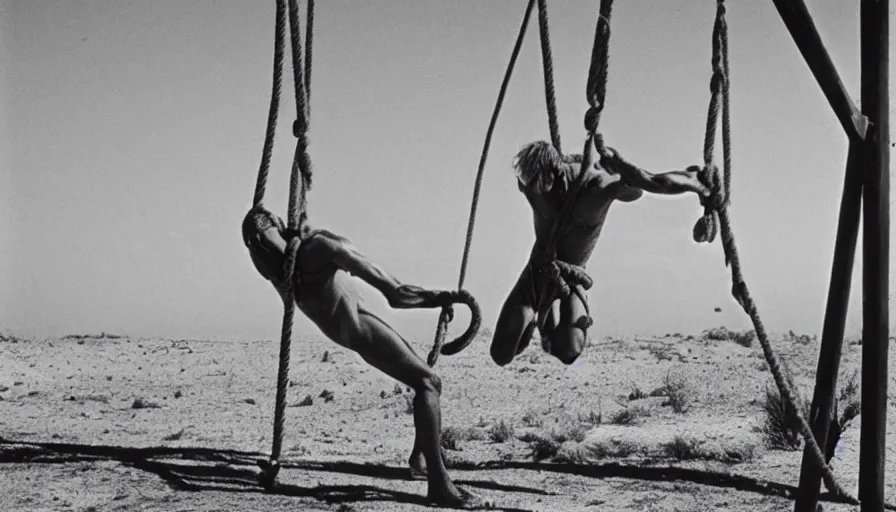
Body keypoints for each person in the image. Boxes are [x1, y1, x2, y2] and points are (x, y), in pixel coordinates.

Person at [242, 207, 483, 509]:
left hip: (345, 328)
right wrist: (438, 298)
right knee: (428, 383)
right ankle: (439, 485)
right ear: (280, 226)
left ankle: (419, 458)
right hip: (358, 328)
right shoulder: (319, 249)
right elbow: (396, 295)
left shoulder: (274, 268)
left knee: (424, 379)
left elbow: (273, 239)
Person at [490, 138, 710, 367]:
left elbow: (649, 184)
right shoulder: (528, 182)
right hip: (536, 270)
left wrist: (694, 183)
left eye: (540, 186)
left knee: (568, 353)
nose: (534, 193)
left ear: (555, 173)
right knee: (501, 354)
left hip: (572, 276)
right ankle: (537, 322)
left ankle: (550, 320)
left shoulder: (595, 188)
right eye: (529, 186)